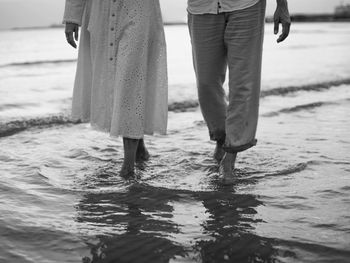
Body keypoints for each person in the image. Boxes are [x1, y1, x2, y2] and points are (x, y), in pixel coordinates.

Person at [187, 0, 291, 180]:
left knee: (243, 82)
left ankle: (230, 157)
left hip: (246, 5)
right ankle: (222, 138)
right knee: (206, 83)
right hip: (201, 7)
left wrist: (282, 5)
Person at [63, 0, 168, 177]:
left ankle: (128, 168)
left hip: (139, 9)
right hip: (101, 11)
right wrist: (72, 17)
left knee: (131, 80)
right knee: (114, 78)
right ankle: (138, 146)